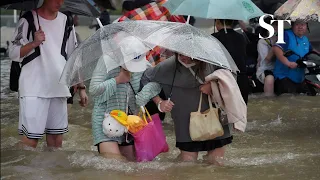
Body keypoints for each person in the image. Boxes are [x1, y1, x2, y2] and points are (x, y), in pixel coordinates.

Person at [8, 0, 88, 148]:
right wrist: (33, 43)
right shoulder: (28, 19)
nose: (59, 2)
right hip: (33, 87)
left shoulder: (66, 21)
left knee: (56, 142)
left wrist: (81, 86)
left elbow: (73, 55)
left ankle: (51, 171)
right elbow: (12, 53)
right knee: (30, 141)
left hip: (58, 86)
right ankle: (29, 171)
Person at [136, 53, 234, 165]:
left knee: (216, 162)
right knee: (187, 163)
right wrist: (159, 102)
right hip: (185, 119)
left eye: (188, 55)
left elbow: (231, 77)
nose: (184, 57)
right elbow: (146, 78)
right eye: (180, 54)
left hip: (215, 116)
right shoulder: (168, 66)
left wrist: (213, 85)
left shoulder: (213, 61)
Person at [89, 36, 151, 161]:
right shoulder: (106, 60)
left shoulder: (144, 64)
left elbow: (153, 85)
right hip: (106, 119)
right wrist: (117, 80)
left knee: (131, 165)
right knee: (114, 163)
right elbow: (93, 90)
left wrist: (156, 100)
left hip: (129, 122)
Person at [212, 19, 249, 104]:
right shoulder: (241, 37)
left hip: (223, 80)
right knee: (241, 112)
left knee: (222, 112)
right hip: (242, 79)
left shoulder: (214, 38)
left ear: (218, 22)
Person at [273, 20, 314, 95]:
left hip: (300, 78)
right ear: (292, 26)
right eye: (297, 24)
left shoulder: (305, 39)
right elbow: (276, 49)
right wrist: (288, 63)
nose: (300, 27)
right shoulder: (286, 35)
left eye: (303, 24)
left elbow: (312, 53)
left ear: (306, 26)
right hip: (284, 77)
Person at [256, 16, 278, 96]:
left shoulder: (283, 38)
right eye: (273, 25)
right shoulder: (262, 42)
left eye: (277, 25)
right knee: (270, 79)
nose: (276, 27)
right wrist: (276, 45)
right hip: (266, 69)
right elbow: (267, 59)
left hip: (280, 68)